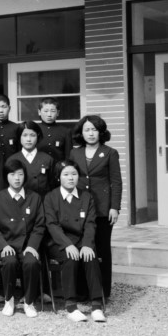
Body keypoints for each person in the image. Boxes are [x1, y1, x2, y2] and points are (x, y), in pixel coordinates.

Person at [44, 160, 106, 322]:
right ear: (58, 177)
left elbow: (90, 223)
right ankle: (71, 306)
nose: (71, 178)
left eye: (74, 174)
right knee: (70, 257)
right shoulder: (51, 197)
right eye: (66, 174)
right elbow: (52, 225)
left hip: (81, 239)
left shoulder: (86, 196)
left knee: (90, 257)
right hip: (59, 242)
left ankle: (96, 306)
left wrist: (87, 244)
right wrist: (67, 245)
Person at [69, 114, 122, 300]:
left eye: (94, 130)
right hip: (79, 207)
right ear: (81, 133)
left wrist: (114, 207)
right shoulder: (75, 153)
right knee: (82, 247)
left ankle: (102, 292)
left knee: (101, 249)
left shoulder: (110, 153)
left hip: (102, 209)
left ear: (101, 132)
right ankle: (82, 291)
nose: (91, 133)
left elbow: (116, 181)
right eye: (87, 130)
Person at [0, 159, 45, 318]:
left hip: (27, 245)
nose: (17, 178)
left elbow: (39, 225)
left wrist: (32, 246)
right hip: (6, 244)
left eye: (20, 174)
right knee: (10, 261)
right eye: (12, 174)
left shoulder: (34, 198)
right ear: (6, 176)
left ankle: (29, 301)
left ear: (25, 176)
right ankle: (9, 299)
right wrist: (3, 245)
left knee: (31, 262)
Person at [7, 120, 57, 197]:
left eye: (32, 135)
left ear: (38, 137)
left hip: (43, 200)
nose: (28, 139)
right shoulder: (12, 160)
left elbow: (53, 186)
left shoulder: (48, 159)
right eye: (25, 135)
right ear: (19, 137)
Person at [37, 97, 72, 162]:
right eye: (46, 111)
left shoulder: (65, 131)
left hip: (59, 166)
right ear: (39, 112)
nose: (49, 115)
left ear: (58, 113)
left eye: (53, 111)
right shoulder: (34, 130)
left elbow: (68, 155)